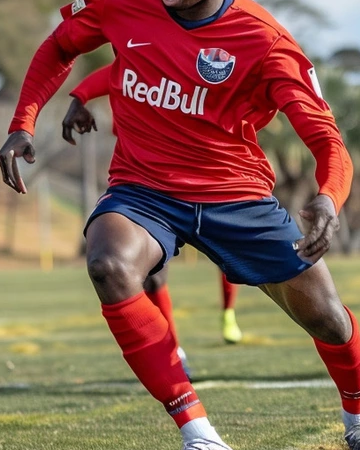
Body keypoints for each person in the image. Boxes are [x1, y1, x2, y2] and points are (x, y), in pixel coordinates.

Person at [0, 0, 360, 450]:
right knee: (107, 263)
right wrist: (25, 122)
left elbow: (326, 139)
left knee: (325, 317)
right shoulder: (124, 1)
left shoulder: (264, 41)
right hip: (145, 189)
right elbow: (59, 48)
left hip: (237, 197)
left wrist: (328, 199)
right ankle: (202, 439)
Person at [67, 64, 245, 346]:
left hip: (203, 181)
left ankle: (228, 312)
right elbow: (107, 76)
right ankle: (174, 350)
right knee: (152, 278)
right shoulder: (134, 62)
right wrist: (78, 98)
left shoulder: (186, 63)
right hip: (147, 187)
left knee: (232, 259)